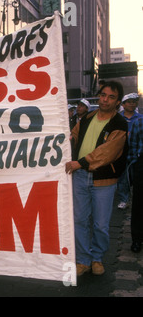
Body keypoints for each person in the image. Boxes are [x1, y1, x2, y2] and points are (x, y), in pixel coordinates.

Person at [65, 81, 128, 276]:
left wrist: (80, 162)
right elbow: (73, 136)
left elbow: (107, 153)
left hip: (104, 181)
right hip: (79, 176)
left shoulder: (120, 123)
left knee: (101, 224)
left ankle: (97, 258)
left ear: (118, 102)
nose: (105, 100)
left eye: (111, 97)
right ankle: (83, 260)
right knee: (80, 220)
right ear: (98, 96)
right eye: (103, 95)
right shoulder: (86, 118)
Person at [117, 93, 141, 210]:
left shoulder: (140, 118)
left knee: (136, 177)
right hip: (121, 152)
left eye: (134, 101)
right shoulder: (118, 118)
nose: (132, 104)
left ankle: (136, 200)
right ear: (123, 104)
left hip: (136, 152)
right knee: (123, 178)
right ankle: (124, 200)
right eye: (129, 101)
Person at [127, 115, 143, 252]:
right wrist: (135, 166)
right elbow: (132, 147)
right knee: (138, 205)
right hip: (141, 167)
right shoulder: (139, 123)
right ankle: (137, 239)